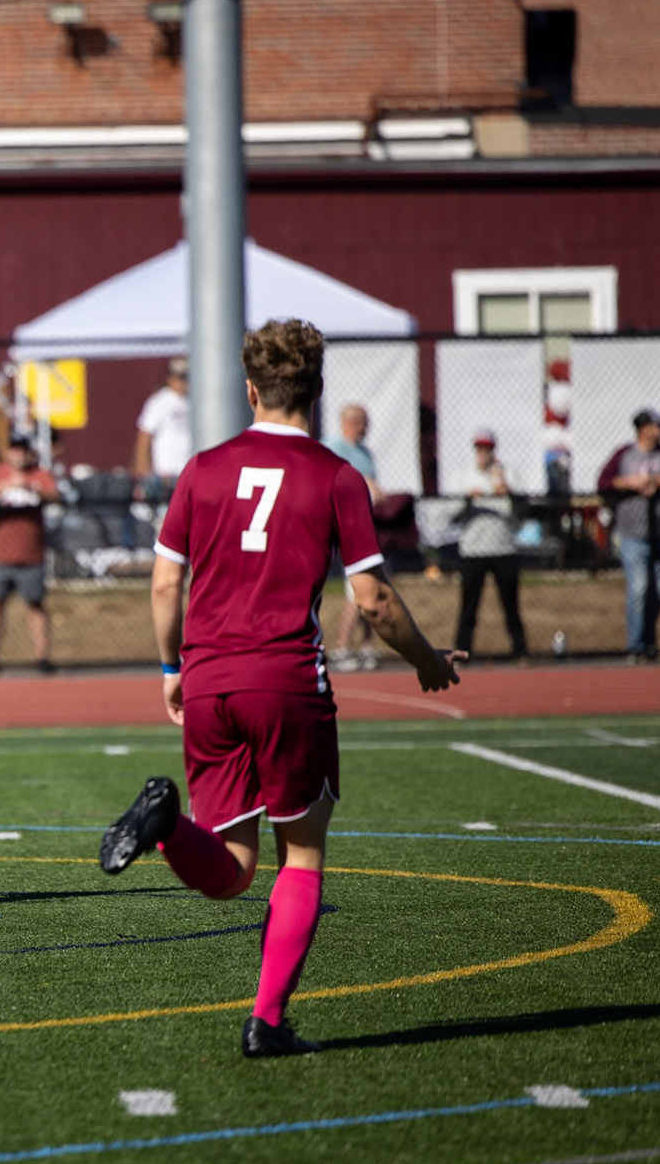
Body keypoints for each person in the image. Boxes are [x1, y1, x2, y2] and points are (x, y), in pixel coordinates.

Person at [97, 319, 460, 1057]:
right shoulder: (334, 475)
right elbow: (375, 601)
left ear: (252, 389)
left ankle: (167, 825)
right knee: (304, 853)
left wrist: (172, 669)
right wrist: (425, 658)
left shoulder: (202, 468)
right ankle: (266, 1022)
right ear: (318, 391)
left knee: (230, 870)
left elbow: (167, 581)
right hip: (287, 679)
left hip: (208, 676)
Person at [597, 409, 660, 662]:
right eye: (656, 424)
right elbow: (604, 482)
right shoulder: (624, 454)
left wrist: (656, 481)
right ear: (643, 428)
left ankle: (649, 640)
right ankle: (635, 646)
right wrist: (631, 483)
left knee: (657, 589)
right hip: (633, 533)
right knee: (638, 588)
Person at [0, 432, 60, 675]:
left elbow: (54, 496)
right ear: (6, 452)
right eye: (14, 449)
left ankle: (42, 658)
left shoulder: (39, 475)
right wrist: (6, 487)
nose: (19, 454)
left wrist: (29, 487)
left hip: (31, 554)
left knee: (35, 606)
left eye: (23, 450)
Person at [454, 429, 527, 661]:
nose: (483, 453)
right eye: (479, 448)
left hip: (503, 548)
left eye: (487, 448)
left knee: (510, 604)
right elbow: (449, 514)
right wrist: (467, 499)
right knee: (468, 606)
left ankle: (520, 650)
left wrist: (508, 492)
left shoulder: (508, 474)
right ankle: (462, 652)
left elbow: (523, 512)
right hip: (473, 550)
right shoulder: (464, 476)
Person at [323, 403, 385, 672]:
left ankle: (366, 645)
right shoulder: (332, 447)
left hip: (363, 526)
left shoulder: (365, 453)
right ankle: (342, 646)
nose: (366, 428)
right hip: (340, 528)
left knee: (369, 586)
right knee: (357, 589)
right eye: (363, 422)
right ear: (352, 422)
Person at [133, 356, 192, 487]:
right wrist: (144, 469)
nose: (183, 382)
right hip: (166, 475)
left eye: (186, 377)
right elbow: (145, 436)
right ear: (170, 378)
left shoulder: (196, 400)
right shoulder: (159, 402)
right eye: (179, 378)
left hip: (191, 472)